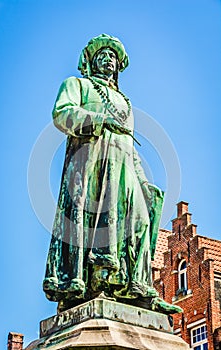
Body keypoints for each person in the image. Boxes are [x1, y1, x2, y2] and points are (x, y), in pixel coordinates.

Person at [43, 34, 182, 314]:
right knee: (96, 223)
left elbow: (129, 145)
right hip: (92, 165)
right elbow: (62, 114)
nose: (109, 60)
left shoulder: (123, 101)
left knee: (141, 220)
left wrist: (142, 180)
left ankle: (137, 287)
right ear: (92, 61)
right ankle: (96, 281)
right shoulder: (77, 85)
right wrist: (98, 119)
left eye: (113, 57)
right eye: (103, 55)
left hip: (124, 168)